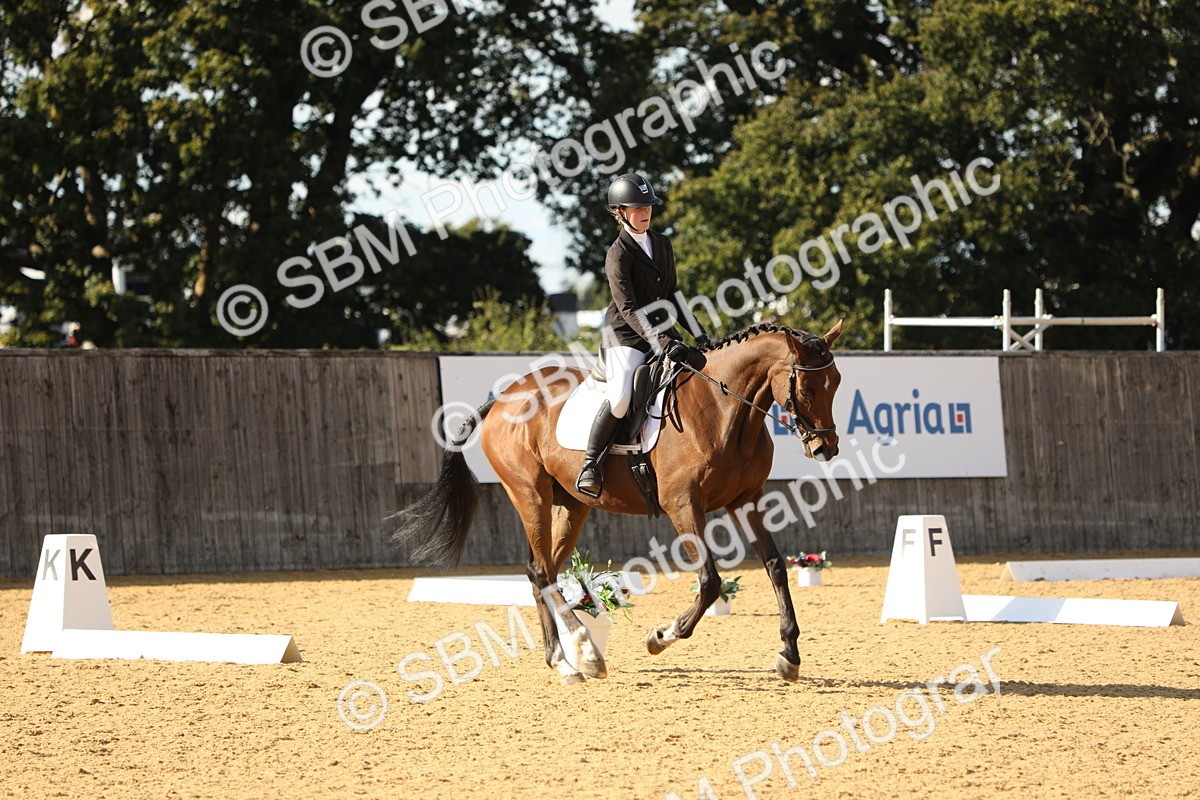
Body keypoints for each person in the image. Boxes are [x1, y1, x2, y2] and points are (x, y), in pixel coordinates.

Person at [575, 172, 709, 498]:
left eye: (649, 205)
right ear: (620, 212)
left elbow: (674, 294)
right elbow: (629, 308)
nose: (646, 211)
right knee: (621, 397)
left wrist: (699, 333)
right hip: (625, 335)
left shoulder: (662, 243)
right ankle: (590, 464)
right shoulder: (617, 254)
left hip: (661, 330)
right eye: (638, 207)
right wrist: (661, 343)